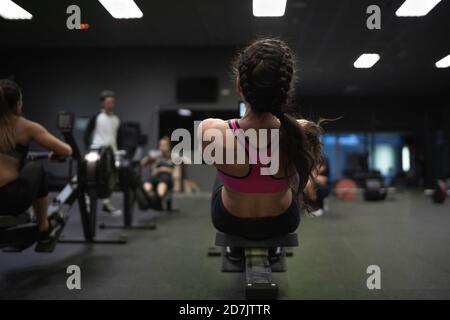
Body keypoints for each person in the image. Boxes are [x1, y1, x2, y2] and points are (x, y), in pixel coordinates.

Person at [198, 38, 323, 259]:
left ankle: (234, 246)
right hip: (283, 222)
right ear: (286, 87)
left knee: (222, 171)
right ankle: (274, 244)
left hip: (230, 221)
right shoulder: (303, 132)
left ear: (238, 84)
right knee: (292, 165)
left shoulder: (210, 130)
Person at [0, 79, 72, 245]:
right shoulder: (25, 126)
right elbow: (66, 150)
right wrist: (56, 153)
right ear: (18, 104)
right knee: (37, 169)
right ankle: (43, 227)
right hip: (9, 200)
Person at [85, 90, 122, 216]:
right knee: (92, 177)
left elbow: (118, 137)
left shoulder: (116, 119)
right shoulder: (97, 117)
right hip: (97, 153)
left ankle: (106, 203)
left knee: (111, 178)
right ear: (103, 103)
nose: (111, 104)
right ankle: (88, 202)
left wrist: (118, 152)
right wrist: (88, 149)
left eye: (113, 102)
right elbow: (87, 134)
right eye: (108, 102)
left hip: (112, 154)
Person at [140, 136, 182, 210]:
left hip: (166, 178)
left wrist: (176, 185)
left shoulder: (174, 157)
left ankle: (156, 202)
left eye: (164, 145)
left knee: (162, 185)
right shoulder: (156, 156)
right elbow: (142, 163)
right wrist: (148, 158)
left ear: (169, 146)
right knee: (146, 188)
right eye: (160, 145)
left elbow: (176, 171)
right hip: (155, 176)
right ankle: (146, 202)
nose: (161, 147)